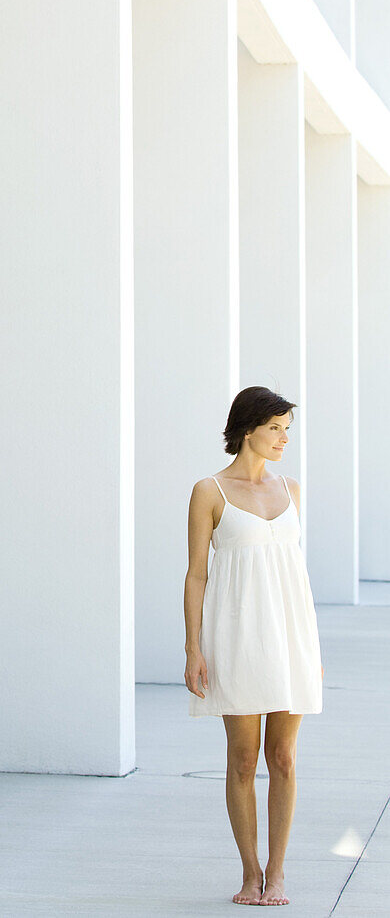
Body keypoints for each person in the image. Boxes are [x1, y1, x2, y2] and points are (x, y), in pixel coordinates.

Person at [183, 386, 324, 906]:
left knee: (283, 757)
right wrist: (193, 647)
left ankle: (278, 872)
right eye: (276, 428)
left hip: (291, 637)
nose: (285, 438)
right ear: (248, 429)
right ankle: (249, 872)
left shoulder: (292, 489)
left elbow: (296, 575)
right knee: (243, 760)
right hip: (238, 638)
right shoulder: (209, 491)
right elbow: (197, 575)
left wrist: (314, 648)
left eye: (288, 429)